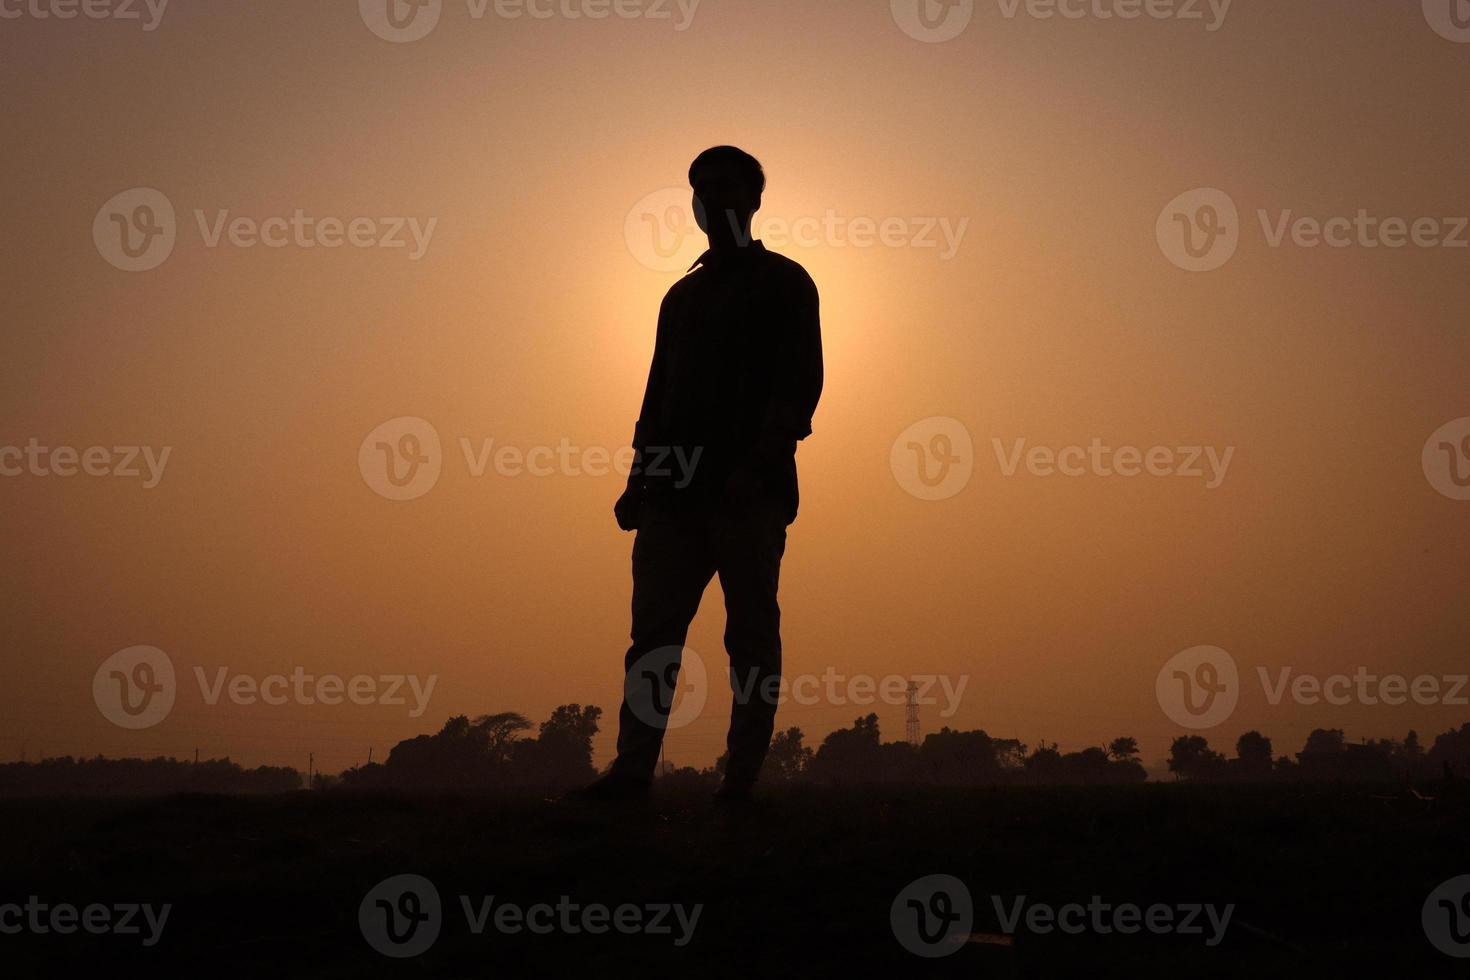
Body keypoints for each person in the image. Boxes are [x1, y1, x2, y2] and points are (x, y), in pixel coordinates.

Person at [575, 146, 823, 804]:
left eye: (724, 186)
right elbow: (657, 397)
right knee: (653, 638)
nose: (710, 197)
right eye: (700, 188)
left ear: (755, 198)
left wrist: (757, 466)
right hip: (672, 497)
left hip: (749, 493)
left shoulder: (785, 284)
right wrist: (637, 479)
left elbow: (798, 389)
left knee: (748, 637)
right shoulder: (681, 297)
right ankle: (632, 774)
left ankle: (738, 779)